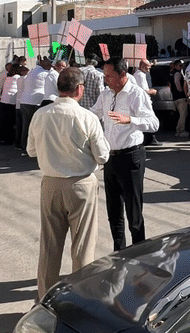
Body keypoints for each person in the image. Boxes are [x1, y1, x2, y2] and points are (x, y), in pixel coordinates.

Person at [27, 67, 110, 298]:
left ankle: (44, 300)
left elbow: (31, 150)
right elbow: (103, 155)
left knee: (49, 246)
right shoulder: (87, 117)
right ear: (80, 89)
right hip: (81, 185)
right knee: (83, 247)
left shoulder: (40, 114)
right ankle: (80, 301)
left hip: (51, 184)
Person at [90, 57, 158, 251]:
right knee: (113, 211)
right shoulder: (106, 94)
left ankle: (139, 252)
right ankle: (119, 252)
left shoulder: (136, 94)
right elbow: (93, 114)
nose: (106, 79)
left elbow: (154, 124)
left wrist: (131, 120)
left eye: (109, 76)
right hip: (110, 158)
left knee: (133, 211)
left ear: (122, 75)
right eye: (104, 75)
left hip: (131, 157)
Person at [19, 59, 51, 153]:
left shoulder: (31, 72)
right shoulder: (44, 73)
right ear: (43, 64)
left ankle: (24, 147)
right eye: (49, 64)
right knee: (36, 127)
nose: (50, 66)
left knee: (26, 126)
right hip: (35, 102)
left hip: (24, 101)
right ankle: (35, 149)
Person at [169, 59, 189, 138]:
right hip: (180, 97)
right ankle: (181, 130)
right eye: (180, 65)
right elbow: (177, 84)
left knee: (182, 114)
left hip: (176, 97)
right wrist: (182, 92)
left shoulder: (172, 73)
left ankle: (179, 129)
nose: (182, 67)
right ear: (176, 66)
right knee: (183, 114)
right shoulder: (177, 74)